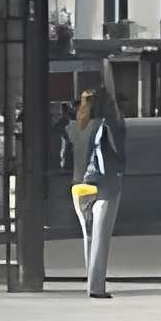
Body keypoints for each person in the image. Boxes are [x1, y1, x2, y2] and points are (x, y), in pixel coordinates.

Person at [62, 81, 126, 299]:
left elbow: (64, 158)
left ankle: (91, 282)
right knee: (101, 237)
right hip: (105, 184)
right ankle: (96, 287)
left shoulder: (73, 126)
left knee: (88, 236)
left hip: (78, 185)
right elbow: (118, 152)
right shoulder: (107, 125)